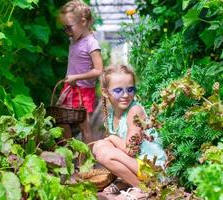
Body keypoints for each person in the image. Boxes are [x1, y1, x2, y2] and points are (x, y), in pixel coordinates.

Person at [92, 65, 166, 199]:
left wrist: (112, 138)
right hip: (138, 165)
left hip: (153, 169)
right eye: (118, 90)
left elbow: (130, 150)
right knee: (99, 146)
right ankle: (127, 181)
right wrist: (109, 140)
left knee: (104, 152)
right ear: (105, 92)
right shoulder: (112, 114)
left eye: (130, 89)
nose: (125, 95)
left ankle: (142, 188)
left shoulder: (134, 111)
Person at [59, 0, 103, 144]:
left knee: (84, 126)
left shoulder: (91, 43)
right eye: (64, 28)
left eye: (69, 27)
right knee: (61, 119)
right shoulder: (74, 40)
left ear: (83, 22)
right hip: (69, 88)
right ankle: (70, 151)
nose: (67, 32)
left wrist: (76, 77)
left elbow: (99, 70)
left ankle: (86, 161)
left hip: (83, 90)